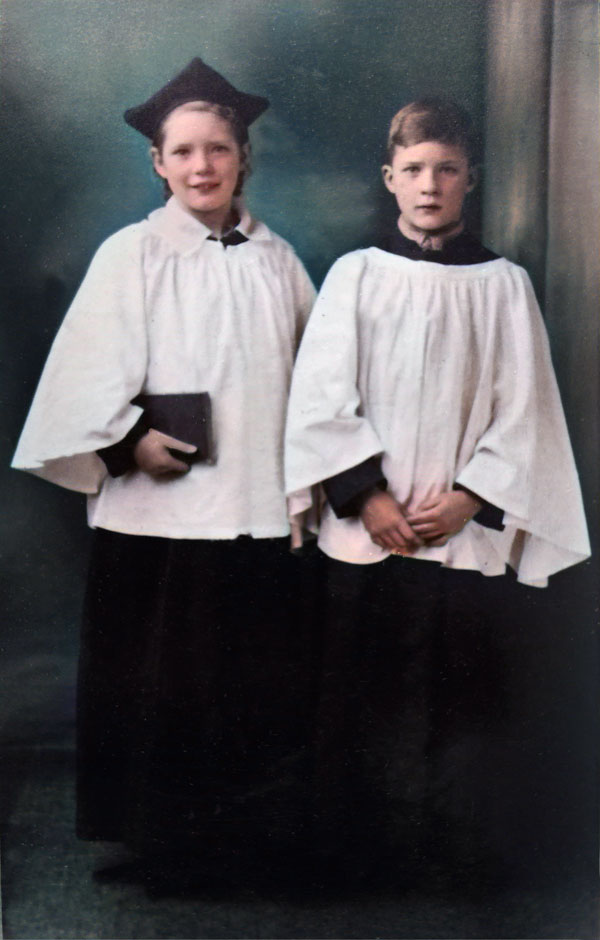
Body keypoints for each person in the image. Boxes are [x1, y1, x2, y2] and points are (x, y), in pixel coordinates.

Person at [12, 57, 315, 893]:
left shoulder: (278, 260)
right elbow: (83, 375)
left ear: (243, 156)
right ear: (158, 162)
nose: (202, 167)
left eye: (218, 149)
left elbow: (317, 379)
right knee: (161, 681)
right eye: (183, 152)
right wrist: (129, 441)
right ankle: (161, 839)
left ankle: (242, 842)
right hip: (160, 512)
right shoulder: (133, 254)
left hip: (250, 505)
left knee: (244, 677)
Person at [284, 98, 590, 886]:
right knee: (359, 695)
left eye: (446, 170)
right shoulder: (355, 276)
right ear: (389, 179)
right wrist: (366, 496)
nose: (430, 186)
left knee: (464, 699)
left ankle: (454, 856)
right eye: (414, 170)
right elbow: (321, 398)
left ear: (470, 180)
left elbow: (525, 409)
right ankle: (354, 854)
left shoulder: (503, 285)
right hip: (369, 531)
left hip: (461, 531)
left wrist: (469, 498)